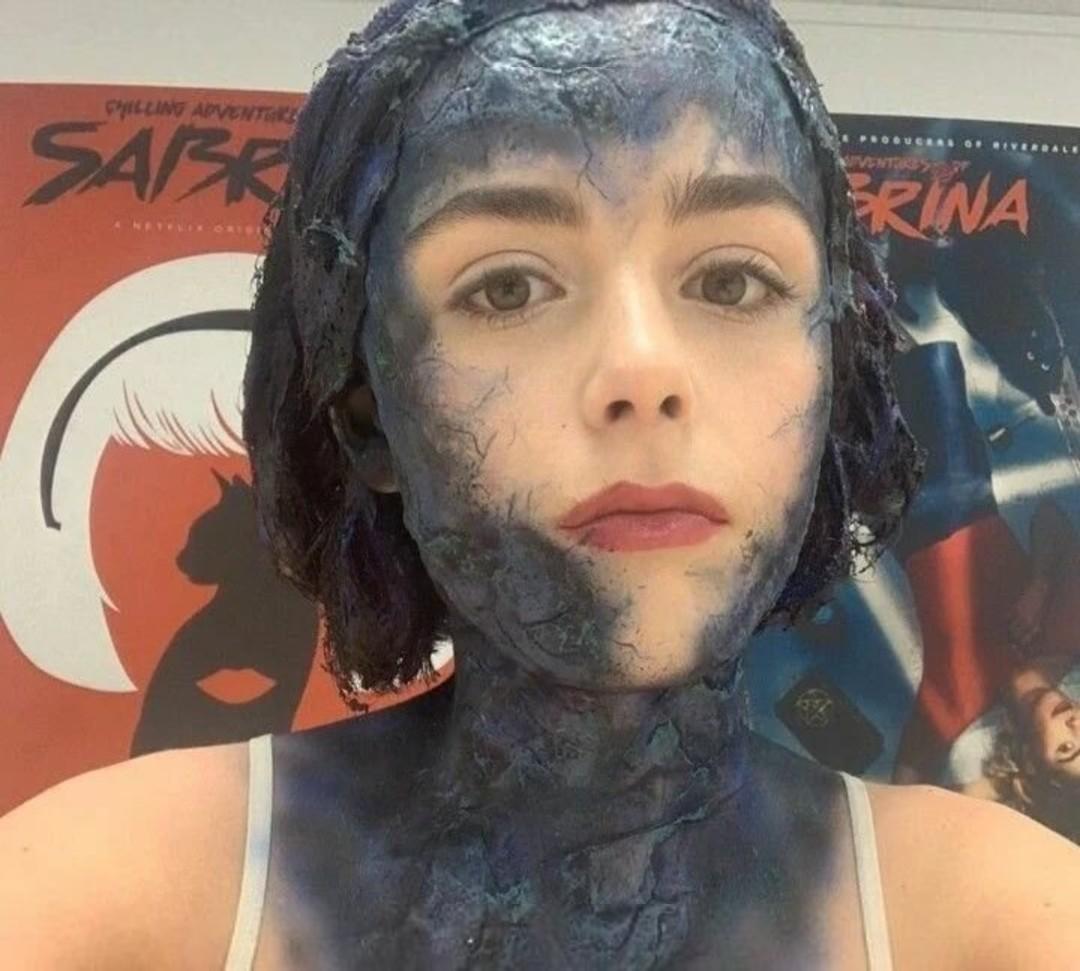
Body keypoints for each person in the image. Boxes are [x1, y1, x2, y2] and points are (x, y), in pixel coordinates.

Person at [3, 1, 1080, 968]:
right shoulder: (122, 894)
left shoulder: (998, 920)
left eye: (731, 279)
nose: (643, 372)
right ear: (370, 416)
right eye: (508, 287)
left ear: (831, 371)